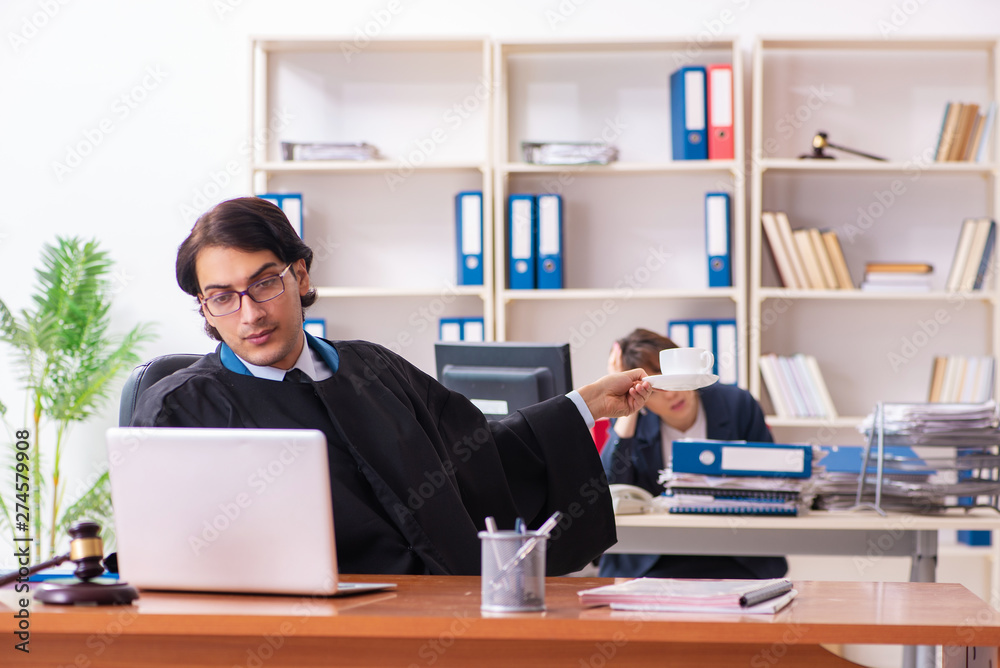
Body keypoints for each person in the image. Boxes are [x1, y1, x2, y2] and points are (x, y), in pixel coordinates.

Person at [131, 197, 653, 577]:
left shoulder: (374, 369)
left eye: (265, 283)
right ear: (204, 308)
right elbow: (169, 558)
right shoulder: (181, 409)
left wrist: (583, 406)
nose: (249, 314)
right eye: (222, 297)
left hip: (438, 615)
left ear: (302, 275)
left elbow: (477, 459)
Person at [599, 328, 788, 579]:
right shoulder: (633, 420)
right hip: (656, 558)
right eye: (656, 387)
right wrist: (627, 406)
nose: (673, 393)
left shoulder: (737, 404)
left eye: (674, 378)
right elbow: (608, 492)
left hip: (735, 553)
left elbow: (775, 480)